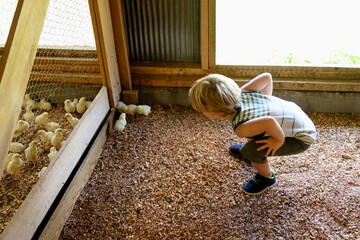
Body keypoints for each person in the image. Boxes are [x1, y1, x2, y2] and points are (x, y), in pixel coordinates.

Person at [188, 73, 317, 195]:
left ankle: (267, 177)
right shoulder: (243, 92)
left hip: (302, 138)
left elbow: (269, 122)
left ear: (214, 113)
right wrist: (267, 102)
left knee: (251, 151)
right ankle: (254, 151)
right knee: (253, 131)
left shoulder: (241, 128)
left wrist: (277, 141)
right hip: (296, 114)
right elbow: (267, 77)